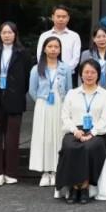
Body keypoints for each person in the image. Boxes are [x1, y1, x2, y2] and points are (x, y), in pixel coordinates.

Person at [56, 59, 106, 204]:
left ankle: (85, 187)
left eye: (93, 72)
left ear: (98, 74)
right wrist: (75, 130)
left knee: (89, 147)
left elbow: (105, 119)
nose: (89, 75)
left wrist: (92, 133)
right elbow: (65, 116)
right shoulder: (72, 93)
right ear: (81, 74)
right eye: (86, 72)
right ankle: (74, 186)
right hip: (74, 130)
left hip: (97, 132)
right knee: (70, 146)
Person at [0, 22, 33, 187]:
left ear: (15, 34)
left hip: (14, 100)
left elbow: (26, 79)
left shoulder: (23, 54)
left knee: (12, 139)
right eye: (4, 32)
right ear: (0, 34)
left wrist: (16, 92)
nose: (7, 35)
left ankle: (11, 173)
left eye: (10, 32)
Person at [29, 36, 73, 187]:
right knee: (44, 137)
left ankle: (55, 171)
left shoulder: (66, 68)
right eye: (50, 46)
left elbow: (69, 89)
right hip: (43, 106)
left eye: (56, 47)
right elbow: (32, 90)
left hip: (61, 104)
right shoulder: (36, 69)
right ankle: (45, 172)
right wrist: (42, 101)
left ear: (60, 50)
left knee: (58, 136)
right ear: (44, 49)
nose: (53, 49)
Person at [36, 4, 81, 72]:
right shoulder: (44, 36)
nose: (61, 19)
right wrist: (50, 70)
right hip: (47, 73)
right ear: (53, 17)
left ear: (68, 18)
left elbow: (76, 58)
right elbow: (40, 55)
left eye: (64, 17)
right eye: (58, 16)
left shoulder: (74, 36)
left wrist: (64, 70)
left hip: (68, 73)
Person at [79, 25, 106, 93]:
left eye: (104, 36)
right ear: (94, 39)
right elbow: (80, 75)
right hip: (89, 91)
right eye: (98, 37)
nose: (101, 39)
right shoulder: (86, 54)